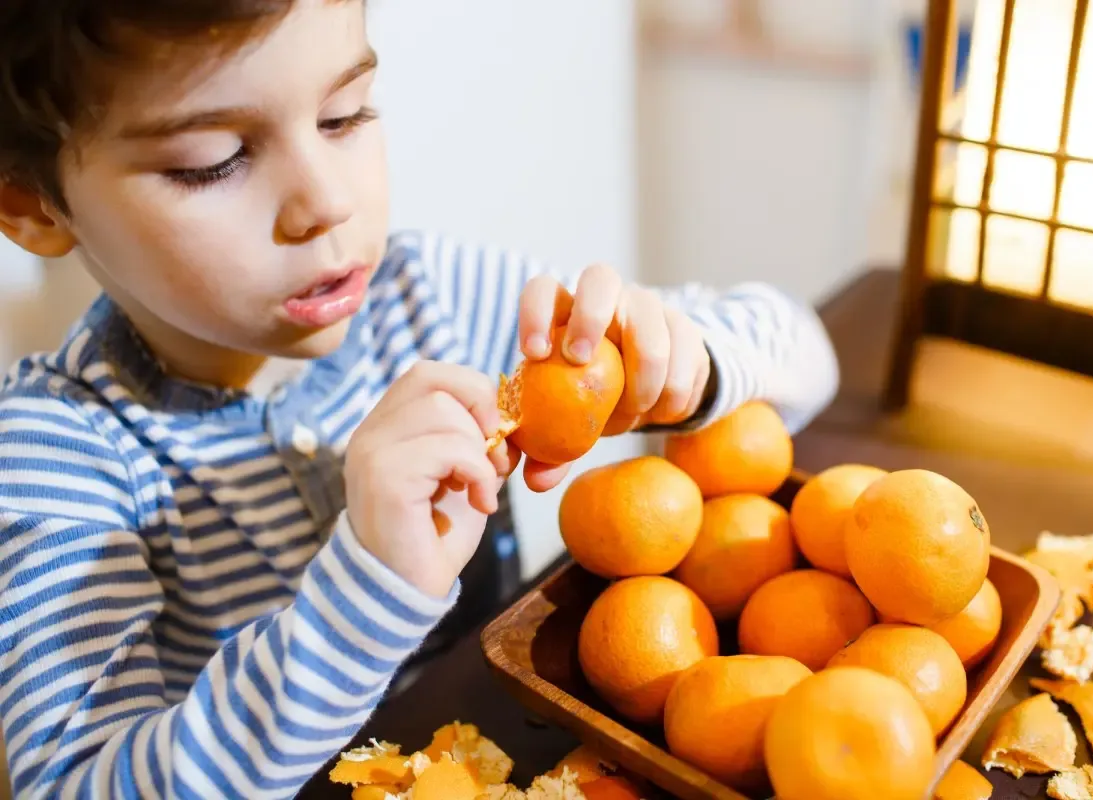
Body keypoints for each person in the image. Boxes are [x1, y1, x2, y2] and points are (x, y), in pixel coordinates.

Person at [0, 1, 840, 798]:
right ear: (31, 205)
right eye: (212, 161)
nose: (327, 203)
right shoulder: (54, 457)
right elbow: (79, 783)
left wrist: (688, 362)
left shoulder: (426, 296)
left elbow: (804, 351)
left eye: (344, 116)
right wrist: (365, 590)